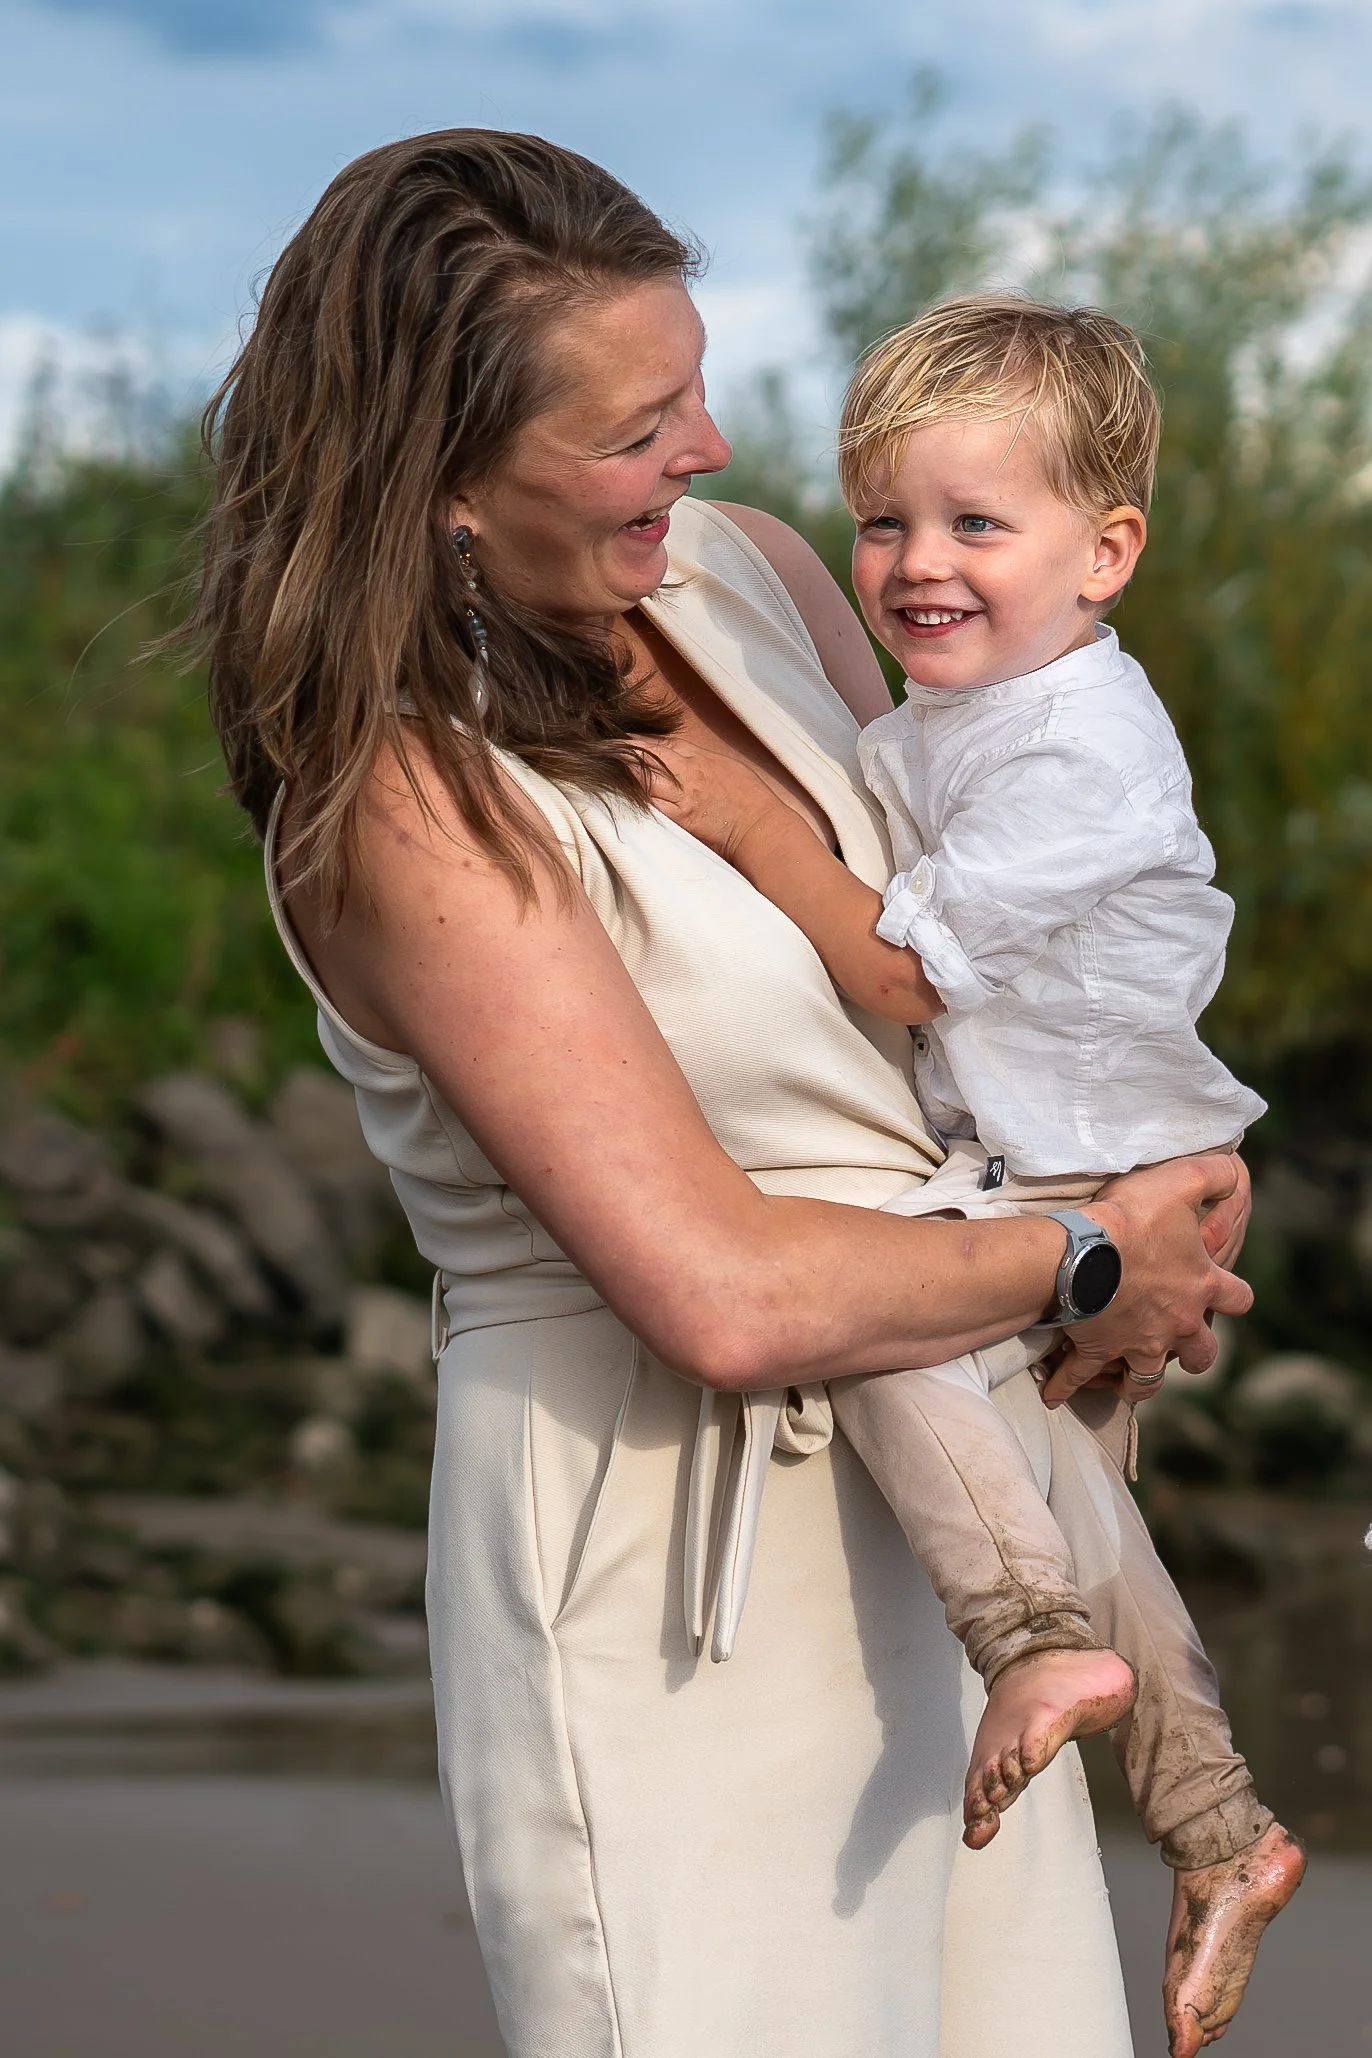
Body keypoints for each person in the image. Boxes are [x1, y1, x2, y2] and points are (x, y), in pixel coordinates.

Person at [184, 130, 1256, 2058]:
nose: (711, 453)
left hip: (947, 1510)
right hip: (664, 1547)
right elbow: (722, 1291)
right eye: (633, 426)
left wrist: (1161, 1162)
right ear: (438, 481)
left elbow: (960, 938)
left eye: (694, 385)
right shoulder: (399, 804)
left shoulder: (753, 579)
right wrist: (1086, 1258)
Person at [649, 295, 1304, 2055]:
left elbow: (908, 972)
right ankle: (1222, 1822)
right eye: (886, 520)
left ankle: (1024, 1642)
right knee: (1098, 1521)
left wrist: (737, 814)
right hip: (1048, 1144)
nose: (916, 563)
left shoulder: (1081, 749)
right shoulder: (963, 707)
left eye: (974, 525)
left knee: (883, 1333)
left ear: (1108, 554)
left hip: (1085, 1160)